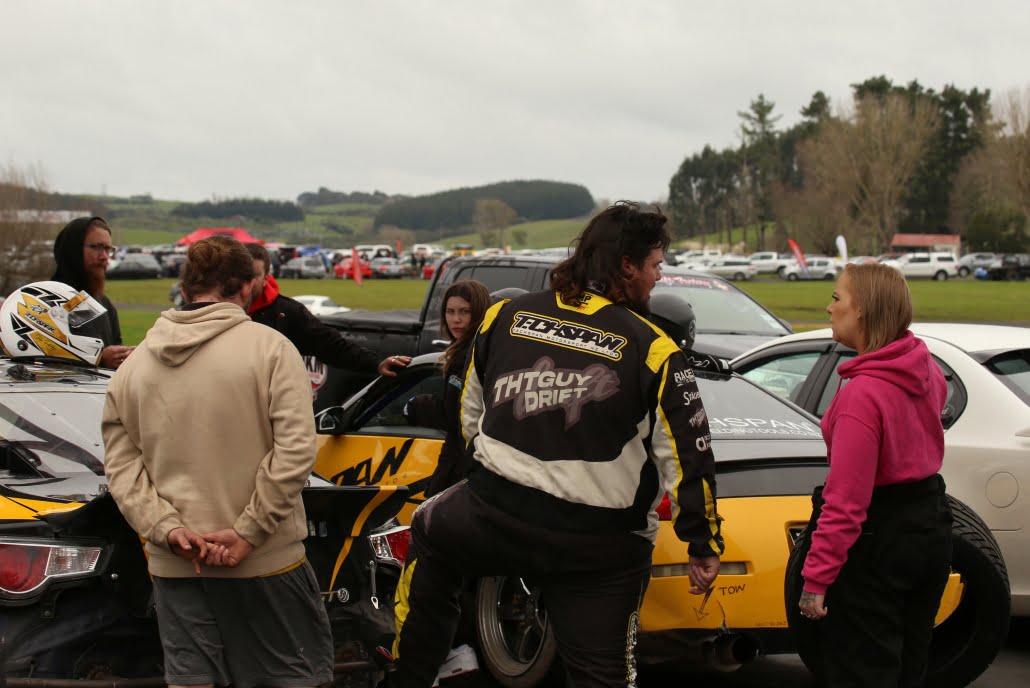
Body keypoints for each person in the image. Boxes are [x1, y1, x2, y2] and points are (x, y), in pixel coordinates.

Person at [390, 202, 723, 688]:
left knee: (427, 528)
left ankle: (409, 675)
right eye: (655, 265)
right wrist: (703, 543)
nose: (658, 277)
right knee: (601, 676)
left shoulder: (504, 315)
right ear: (626, 266)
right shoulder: (655, 347)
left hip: (493, 514)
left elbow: (469, 415)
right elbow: (690, 457)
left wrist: (489, 478)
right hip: (598, 546)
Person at [102, 235, 333, 688]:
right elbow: (295, 452)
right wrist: (249, 531)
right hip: (264, 561)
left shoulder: (132, 367)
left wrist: (168, 529)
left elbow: (123, 472)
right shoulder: (271, 349)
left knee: (193, 681)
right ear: (247, 287)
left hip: (176, 563)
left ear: (185, 288)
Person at [798, 263, 952, 687]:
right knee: (909, 665)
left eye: (836, 297)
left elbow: (846, 502)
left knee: (862, 670)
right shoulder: (925, 369)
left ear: (862, 310)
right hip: (930, 526)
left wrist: (816, 579)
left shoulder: (862, 397)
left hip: (878, 542)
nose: (828, 308)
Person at [243, 243, 410, 381]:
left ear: (266, 279)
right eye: (243, 274)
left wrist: (376, 363)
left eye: (254, 276)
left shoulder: (286, 312)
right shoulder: (225, 308)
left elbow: (330, 345)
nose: (247, 282)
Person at [51, 216, 134, 369]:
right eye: (96, 247)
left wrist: (122, 355)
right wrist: (100, 359)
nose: (104, 256)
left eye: (108, 249)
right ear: (73, 250)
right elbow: (46, 356)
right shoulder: (50, 300)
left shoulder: (104, 304)